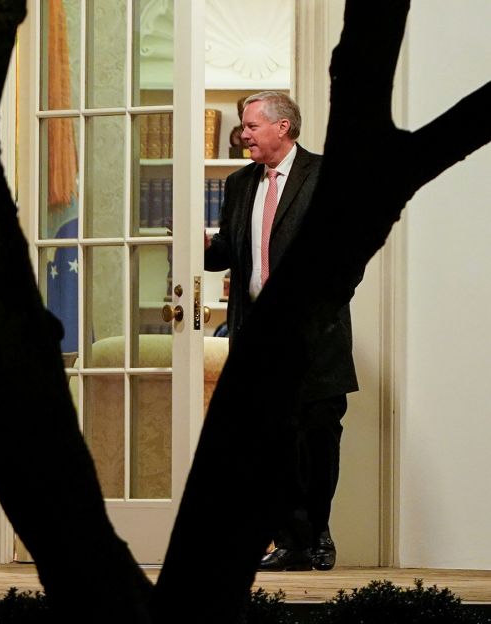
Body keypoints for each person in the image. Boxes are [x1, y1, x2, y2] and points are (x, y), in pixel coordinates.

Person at [204, 91, 357, 572]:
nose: (242, 134)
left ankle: (317, 532)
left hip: (315, 337)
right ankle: (291, 541)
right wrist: (189, 242)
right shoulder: (237, 184)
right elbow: (227, 252)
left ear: (282, 128)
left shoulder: (327, 175)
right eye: (242, 126)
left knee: (318, 438)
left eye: (250, 126)